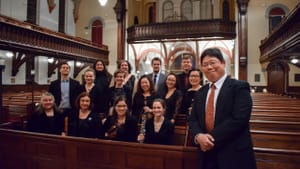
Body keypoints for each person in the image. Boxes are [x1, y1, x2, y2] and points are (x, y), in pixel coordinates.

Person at [189, 48, 256, 169]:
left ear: (223, 63)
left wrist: (209, 139)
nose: (209, 67)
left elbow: (239, 119)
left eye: (212, 62)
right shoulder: (200, 92)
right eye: (205, 64)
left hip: (232, 154)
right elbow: (193, 120)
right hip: (206, 155)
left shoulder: (239, 87)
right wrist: (198, 136)